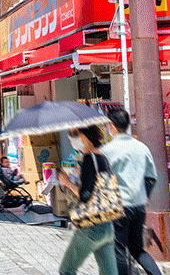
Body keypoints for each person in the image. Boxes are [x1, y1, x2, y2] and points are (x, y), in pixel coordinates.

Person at [101, 109, 160, 275]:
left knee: (118, 250)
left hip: (118, 206)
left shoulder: (107, 150)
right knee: (136, 248)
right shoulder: (141, 147)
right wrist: (143, 196)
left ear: (111, 126)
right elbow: (151, 177)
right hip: (138, 205)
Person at [57, 126, 118, 275]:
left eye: (74, 134)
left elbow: (85, 195)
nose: (72, 139)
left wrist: (67, 183)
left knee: (66, 270)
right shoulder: (102, 156)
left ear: (84, 137)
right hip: (107, 224)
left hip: (91, 226)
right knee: (109, 273)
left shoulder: (90, 159)